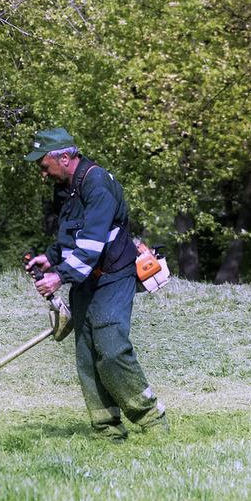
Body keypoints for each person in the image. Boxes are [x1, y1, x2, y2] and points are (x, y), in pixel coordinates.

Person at [23, 127, 167, 439]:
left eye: (44, 166)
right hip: (86, 280)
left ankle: (153, 421)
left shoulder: (97, 184)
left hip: (113, 276)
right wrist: (50, 258)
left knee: (112, 349)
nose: (43, 175)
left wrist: (60, 276)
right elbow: (70, 236)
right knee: (88, 356)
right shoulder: (66, 189)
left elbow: (91, 243)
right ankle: (106, 430)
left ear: (64, 158)